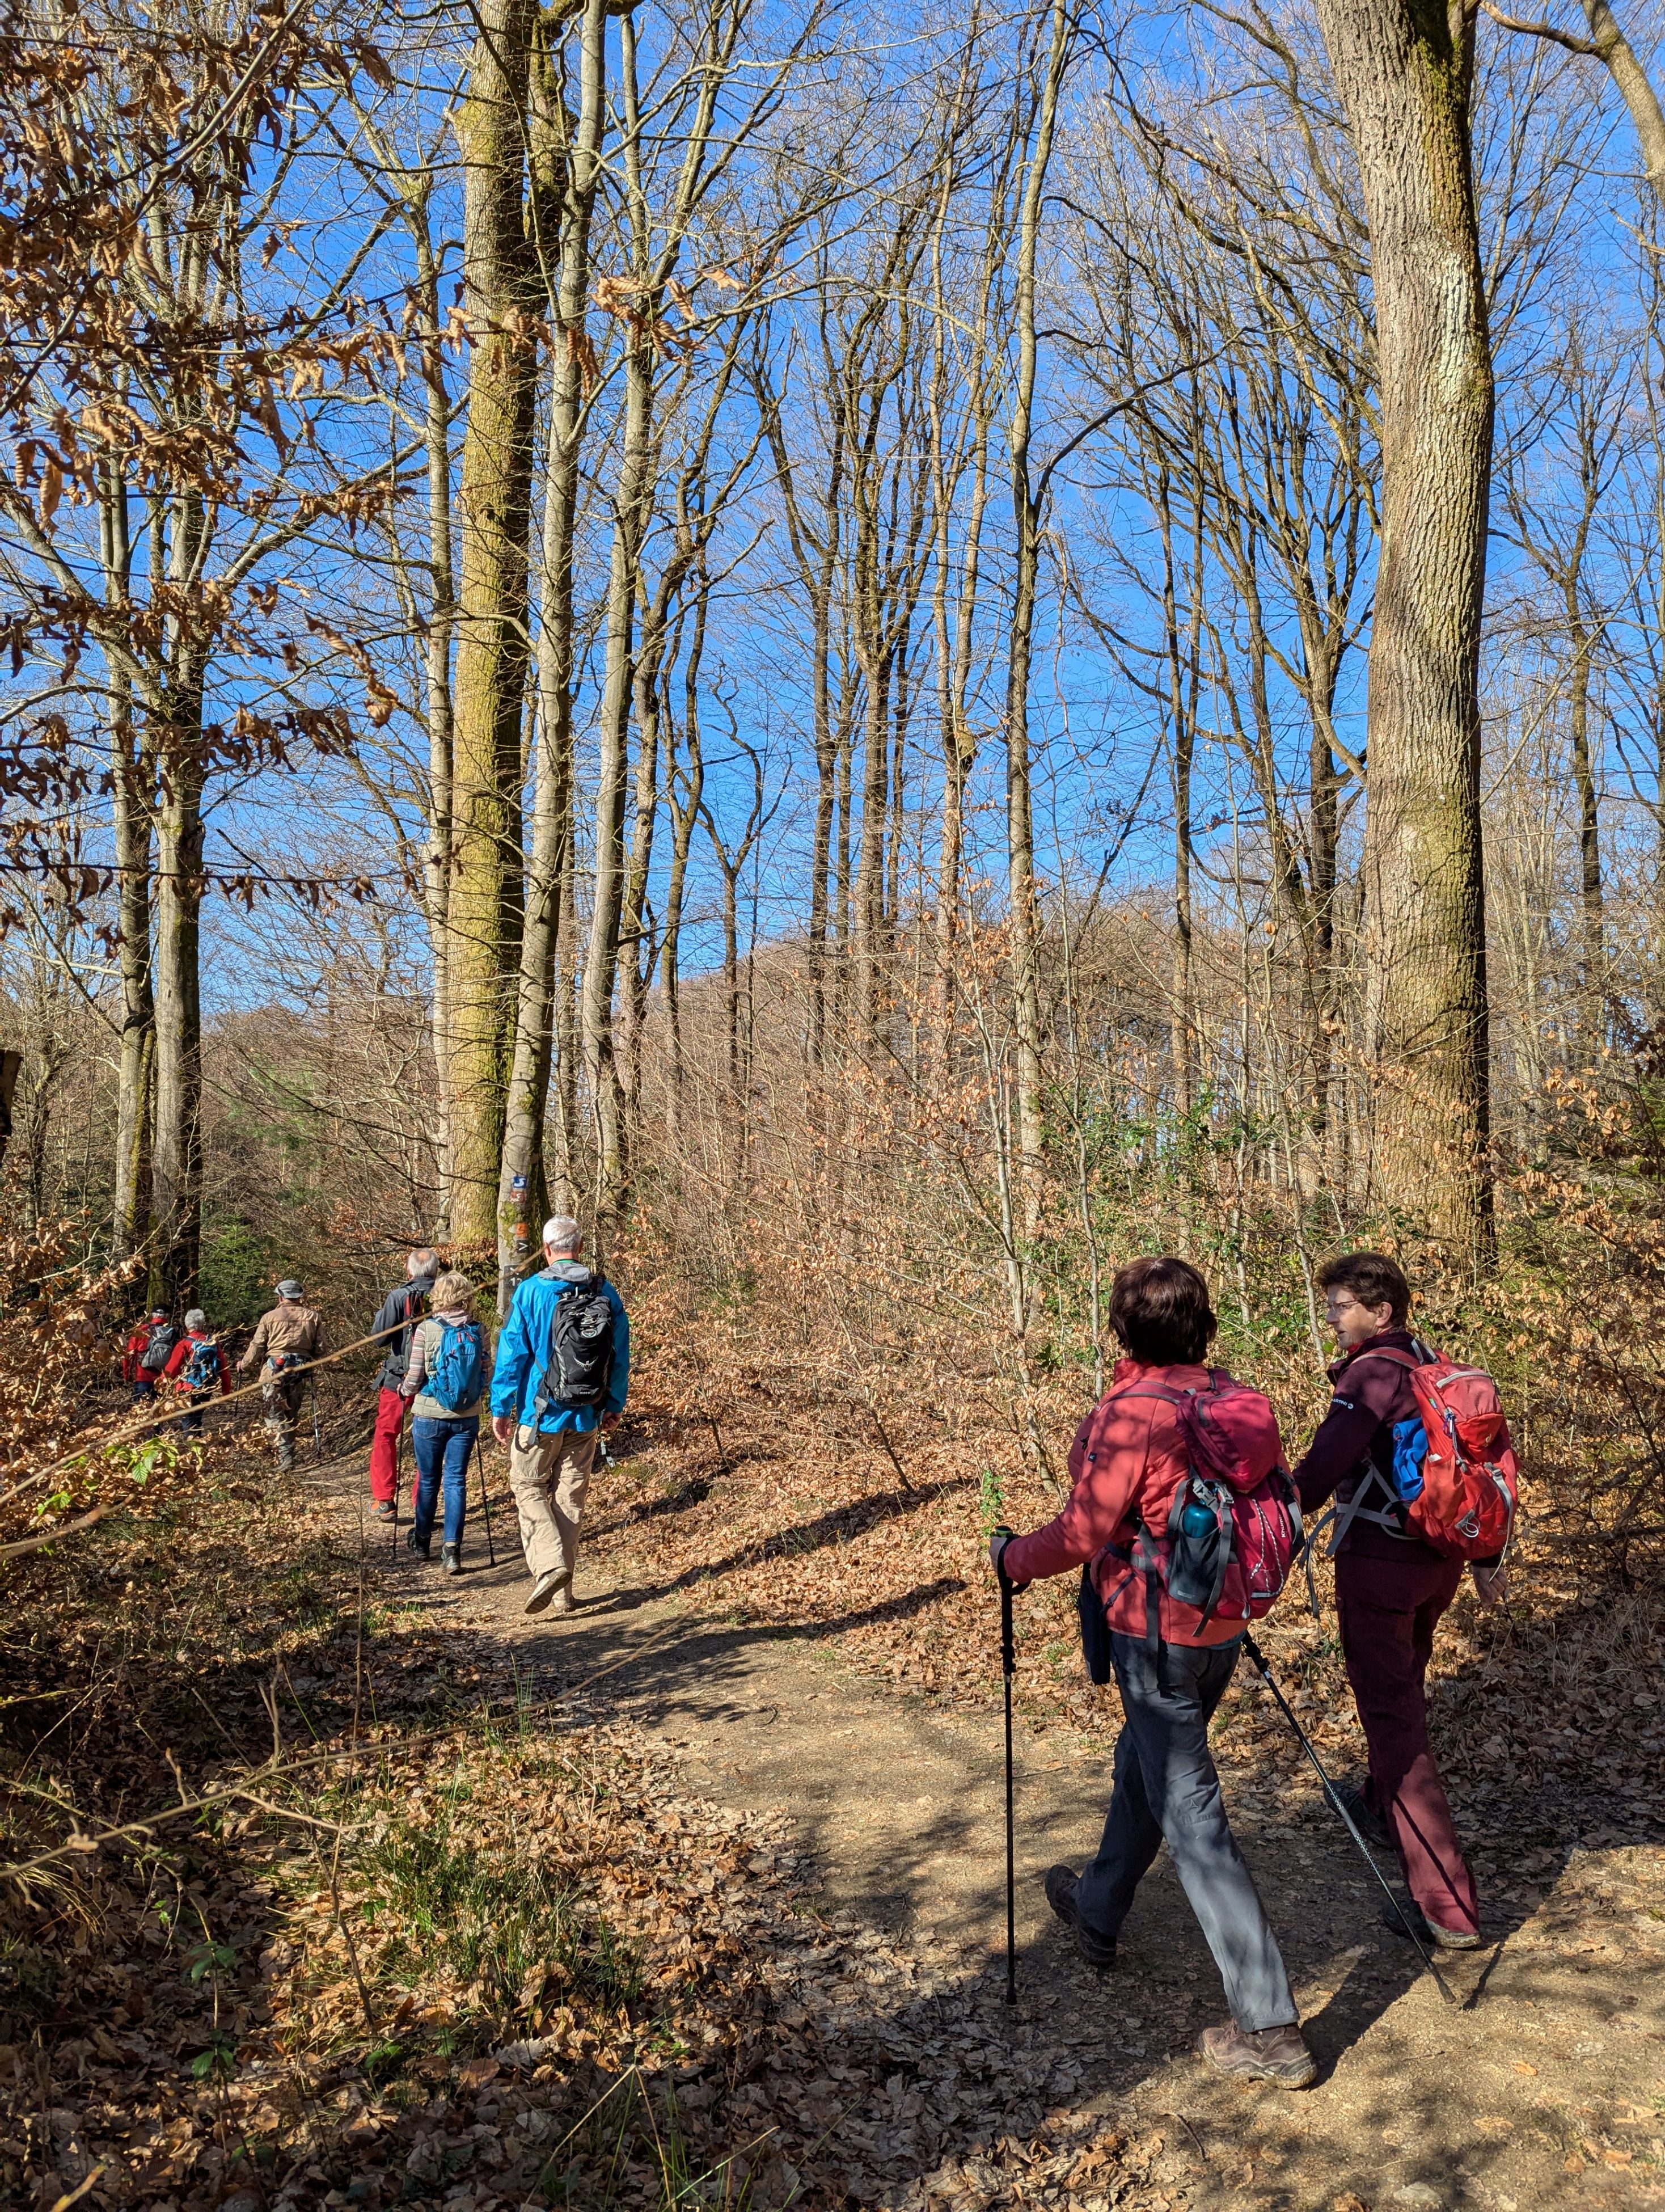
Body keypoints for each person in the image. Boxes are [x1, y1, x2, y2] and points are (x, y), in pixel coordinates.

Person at [992, 1256, 1315, 2090]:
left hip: (1154, 1629)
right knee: (1151, 1767)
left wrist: (1011, 1560)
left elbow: (1081, 1533)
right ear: (1204, 1325)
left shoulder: (1133, 1413)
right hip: (1223, 1624)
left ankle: (1270, 2026)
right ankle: (1098, 1910)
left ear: (1123, 1329)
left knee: (1193, 1814)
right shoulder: (1239, 1401)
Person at [1293, 1251, 1505, 1954]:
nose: (1330, 1318)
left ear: (1379, 1311)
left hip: (1379, 1566)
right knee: (1400, 1694)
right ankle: (1382, 1813)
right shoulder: (1428, 1361)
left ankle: (1447, 1905)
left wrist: (1262, 1526)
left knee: (1394, 1724)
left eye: (1339, 1306)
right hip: (1435, 1565)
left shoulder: (1371, 1373)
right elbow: (1481, 1465)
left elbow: (1321, 1467)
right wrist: (1485, 1557)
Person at [490, 1216, 629, 1617]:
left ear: (548, 1251)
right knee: (569, 1499)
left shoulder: (532, 1292)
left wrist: (500, 1407)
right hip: (586, 1414)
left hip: (540, 1414)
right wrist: (613, 1404)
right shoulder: (606, 1292)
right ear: (580, 1247)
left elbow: (512, 1354)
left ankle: (551, 1567)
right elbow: (620, 1356)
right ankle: (565, 1595)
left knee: (528, 1485)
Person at [401, 1269, 488, 1573]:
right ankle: (452, 1550)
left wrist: (404, 1390)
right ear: (466, 1297)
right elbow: (485, 1375)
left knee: (428, 1480)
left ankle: (422, 1541)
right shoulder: (479, 1330)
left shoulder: (426, 1329)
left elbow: (415, 1377)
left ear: (438, 1297)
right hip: (466, 1417)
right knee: (456, 1481)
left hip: (429, 1414)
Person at [367, 1249, 438, 1522]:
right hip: (435, 1380)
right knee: (429, 1439)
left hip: (399, 1377)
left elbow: (378, 1339)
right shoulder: (449, 1294)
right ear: (435, 1272)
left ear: (409, 1272)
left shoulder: (398, 1296)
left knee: (386, 1434)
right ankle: (424, 1503)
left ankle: (385, 1501)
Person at [238, 1278, 326, 1472]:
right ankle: (287, 1457)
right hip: (301, 1372)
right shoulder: (314, 1317)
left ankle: (282, 1458)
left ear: (280, 1297)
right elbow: (321, 1349)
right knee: (291, 1414)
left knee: (273, 1414)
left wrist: (244, 1365)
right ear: (299, 1296)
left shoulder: (269, 1317)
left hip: (273, 1372)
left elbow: (257, 1346)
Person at [162, 1308, 231, 1438]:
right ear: (202, 1324)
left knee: (188, 1420)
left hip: (188, 1388)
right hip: (207, 1386)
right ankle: (198, 1446)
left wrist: (161, 1383)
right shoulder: (213, 1342)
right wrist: (226, 1390)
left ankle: (192, 1450)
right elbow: (223, 1367)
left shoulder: (184, 1344)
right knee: (198, 1418)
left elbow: (172, 1369)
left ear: (187, 1325)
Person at [122, 1308, 178, 1404]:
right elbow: (177, 1358)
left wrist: (126, 1375)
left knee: (140, 1412)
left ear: (152, 1315)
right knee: (160, 1413)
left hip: (143, 1377)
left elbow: (129, 1355)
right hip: (163, 1380)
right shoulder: (173, 1333)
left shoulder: (141, 1330)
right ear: (168, 1316)